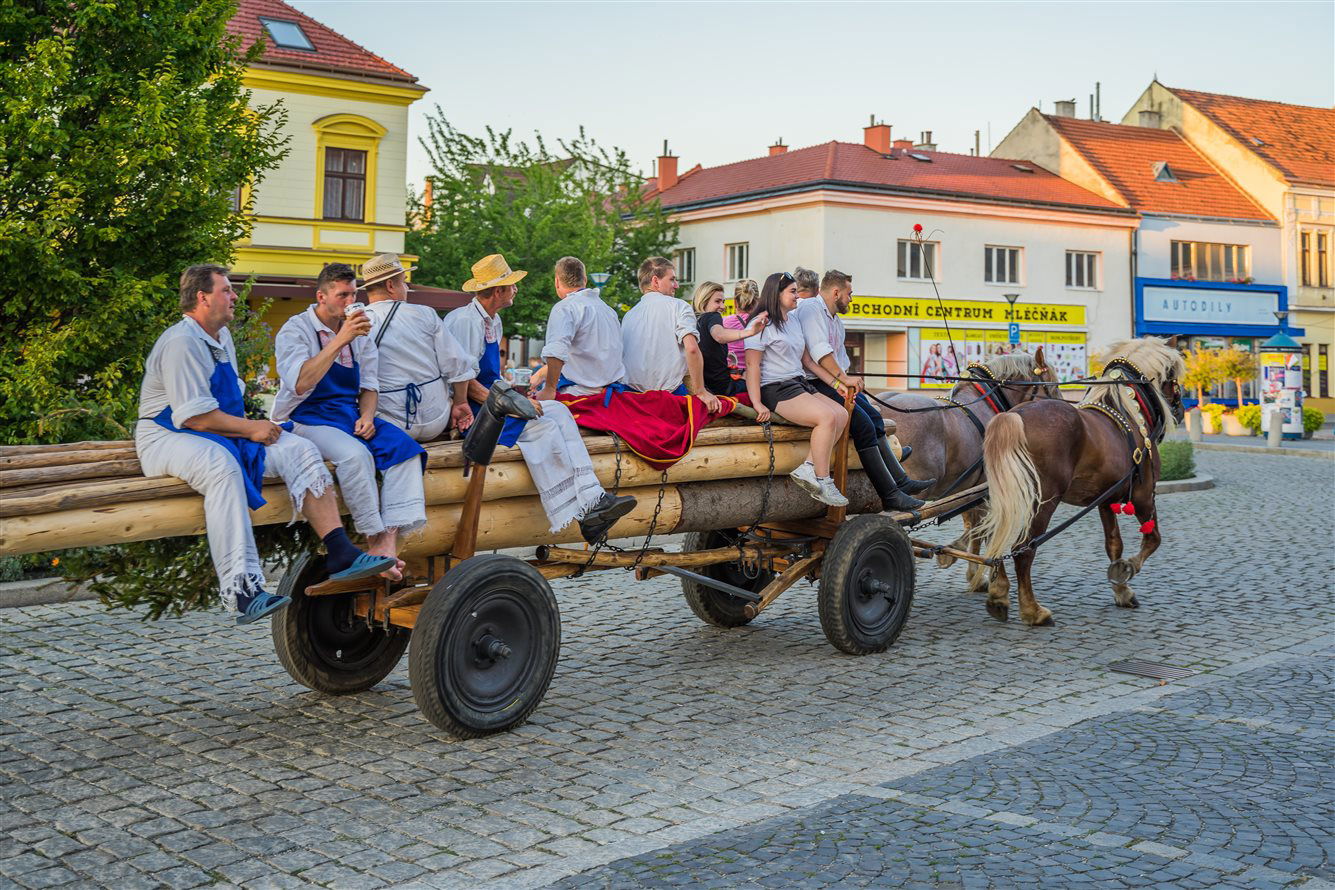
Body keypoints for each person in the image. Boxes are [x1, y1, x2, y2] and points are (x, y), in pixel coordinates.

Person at [136, 265, 398, 624]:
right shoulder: (182, 342)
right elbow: (193, 417)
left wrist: (254, 428)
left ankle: (340, 551)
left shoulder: (219, 336)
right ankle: (242, 590)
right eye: (226, 290)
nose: (233, 297)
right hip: (169, 436)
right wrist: (251, 428)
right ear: (202, 298)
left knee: (301, 450)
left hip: (219, 432)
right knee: (222, 469)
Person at [444, 254, 636, 542]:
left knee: (558, 410)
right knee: (542, 426)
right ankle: (579, 512)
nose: (516, 290)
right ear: (498, 291)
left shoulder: (492, 322)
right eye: (511, 285)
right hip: (476, 412)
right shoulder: (464, 321)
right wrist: (511, 402)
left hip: (494, 403)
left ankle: (594, 499)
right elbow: (463, 380)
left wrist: (511, 395)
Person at [273, 263, 428, 582]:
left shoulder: (358, 331)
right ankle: (372, 539)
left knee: (407, 450)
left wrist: (368, 415)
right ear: (321, 296)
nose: (349, 301)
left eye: (353, 294)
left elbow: (370, 384)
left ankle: (387, 543)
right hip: (306, 418)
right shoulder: (296, 329)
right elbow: (300, 383)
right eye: (342, 295)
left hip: (349, 414)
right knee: (356, 456)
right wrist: (340, 339)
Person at [794, 270, 933, 512]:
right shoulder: (811, 309)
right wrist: (844, 380)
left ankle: (901, 480)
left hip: (832, 381)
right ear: (836, 292)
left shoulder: (834, 319)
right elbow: (819, 352)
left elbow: (839, 358)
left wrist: (847, 381)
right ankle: (890, 495)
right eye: (849, 294)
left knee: (875, 417)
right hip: (815, 383)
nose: (851, 299)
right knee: (863, 426)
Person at [744, 272, 849, 507]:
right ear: (777, 293)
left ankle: (809, 467)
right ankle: (823, 478)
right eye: (792, 291)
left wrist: (836, 384)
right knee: (826, 417)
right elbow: (752, 366)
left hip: (798, 382)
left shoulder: (793, 321)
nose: (797, 295)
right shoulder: (761, 323)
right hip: (775, 387)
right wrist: (757, 402)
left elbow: (808, 362)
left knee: (841, 414)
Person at [360, 253, 474, 442]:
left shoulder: (358, 321)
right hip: (437, 419)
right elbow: (456, 362)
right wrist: (461, 402)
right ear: (390, 285)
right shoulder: (424, 313)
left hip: (389, 423)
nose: (406, 288)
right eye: (404, 283)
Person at [620, 257, 722, 414]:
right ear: (655, 281)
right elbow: (692, 349)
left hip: (632, 400)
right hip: (669, 398)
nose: (677, 285)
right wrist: (701, 391)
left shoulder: (629, 315)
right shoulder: (679, 306)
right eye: (672, 279)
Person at [535, 256, 627, 399]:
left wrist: (549, 389)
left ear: (557, 281)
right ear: (584, 279)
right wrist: (540, 374)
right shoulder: (608, 310)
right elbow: (588, 356)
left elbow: (556, 351)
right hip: (611, 395)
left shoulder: (565, 307)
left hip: (577, 394)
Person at [691, 281, 767, 397]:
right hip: (725, 388)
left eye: (723, 301)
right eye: (717, 301)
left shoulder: (697, 322)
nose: (723, 306)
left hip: (709, 386)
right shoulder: (713, 316)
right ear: (704, 301)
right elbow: (719, 335)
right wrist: (750, 332)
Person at [723, 279, 760, 372]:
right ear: (758, 301)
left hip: (731, 376)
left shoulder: (723, 323)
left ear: (735, 302)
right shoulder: (763, 324)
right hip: (757, 378)